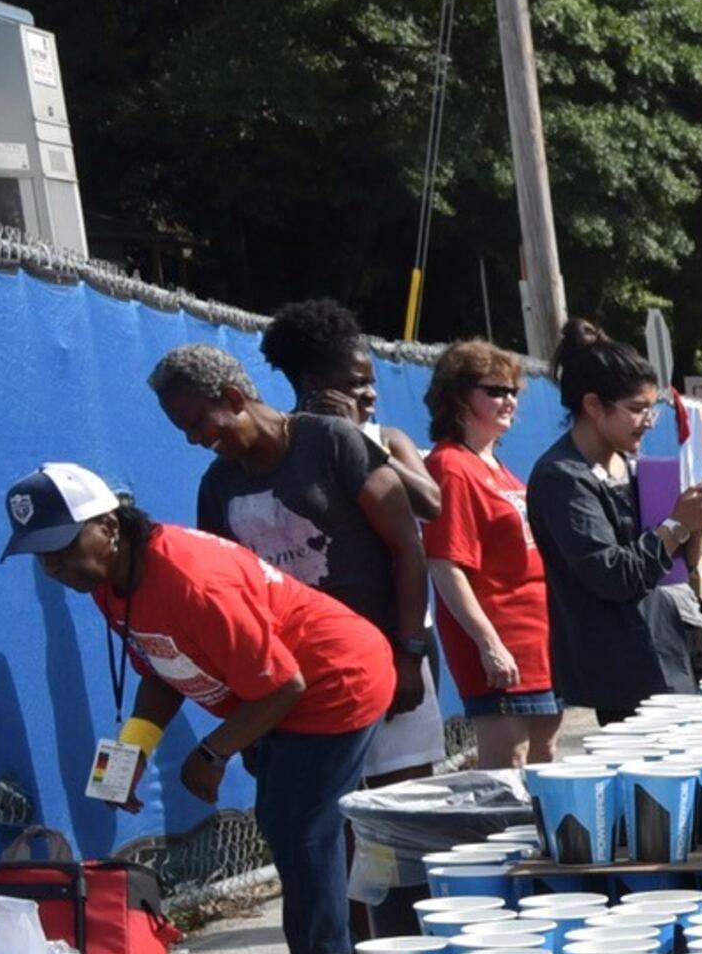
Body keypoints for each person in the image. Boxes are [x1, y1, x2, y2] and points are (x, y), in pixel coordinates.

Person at [6, 461, 389, 954]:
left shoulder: (191, 581)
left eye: (62, 545)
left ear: (109, 528)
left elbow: (285, 685)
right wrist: (135, 748)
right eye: (41, 553)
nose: (52, 565)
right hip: (273, 696)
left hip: (334, 683)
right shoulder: (109, 579)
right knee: (292, 829)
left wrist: (212, 752)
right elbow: (163, 669)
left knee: (303, 832)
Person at [152, 340, 435, 791]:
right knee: (329, 825)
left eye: (196, 422)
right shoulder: (217, 487)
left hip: (387, 659)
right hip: (304, 688)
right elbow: (228, 605)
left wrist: (409, 654)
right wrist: (250, 718)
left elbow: (407, 547)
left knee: (409, 815)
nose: (194, 439)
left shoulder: (330, 442)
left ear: (232, 398)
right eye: (183, 430)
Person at [257, 300, 450, 784]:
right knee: (339, 799)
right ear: (312, 386)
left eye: (371, 382)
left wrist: (363, 440)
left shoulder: (386, 437)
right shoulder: (289, 444)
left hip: (400, 637)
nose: (368, 394)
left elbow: (431, 502)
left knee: (407, 790)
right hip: (324, 653)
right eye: (354, 383)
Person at [528, 317, 702, 726]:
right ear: (594, 406)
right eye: (636, 409)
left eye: (651, 408)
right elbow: (613, 574)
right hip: (632, 666)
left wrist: (697, 520)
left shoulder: (635, 466)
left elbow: (675, 567)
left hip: (680, 639)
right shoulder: (562, 478)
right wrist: (674, 525)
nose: (648, 421)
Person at [418, 340, 558, 768]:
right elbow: (446, 565)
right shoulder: (451, 467)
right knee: (507, 761)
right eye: (495, 390)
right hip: (499, 634)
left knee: (543, 755)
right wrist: (489, 643)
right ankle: (508, 837)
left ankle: (544, 836)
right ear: (460, 395)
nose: (509, 400)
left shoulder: (496, 464)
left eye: (514, 390)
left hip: (538, 635)